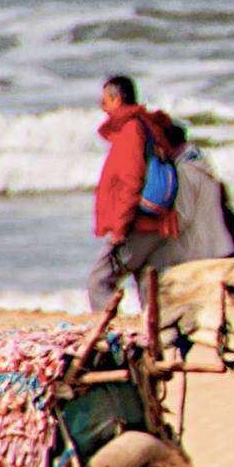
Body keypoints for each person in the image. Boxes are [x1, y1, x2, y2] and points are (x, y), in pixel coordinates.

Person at [87, 74, 191, 316]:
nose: (102, 107)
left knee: (99, 281)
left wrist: (120, 229)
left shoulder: (131, 129)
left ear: (117, 99)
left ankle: (109, 338)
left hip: (138, 226)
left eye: (105, 100)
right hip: (157, 224)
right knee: (149, 287)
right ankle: (162, 342)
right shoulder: (146, 126)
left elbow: (130, 182)